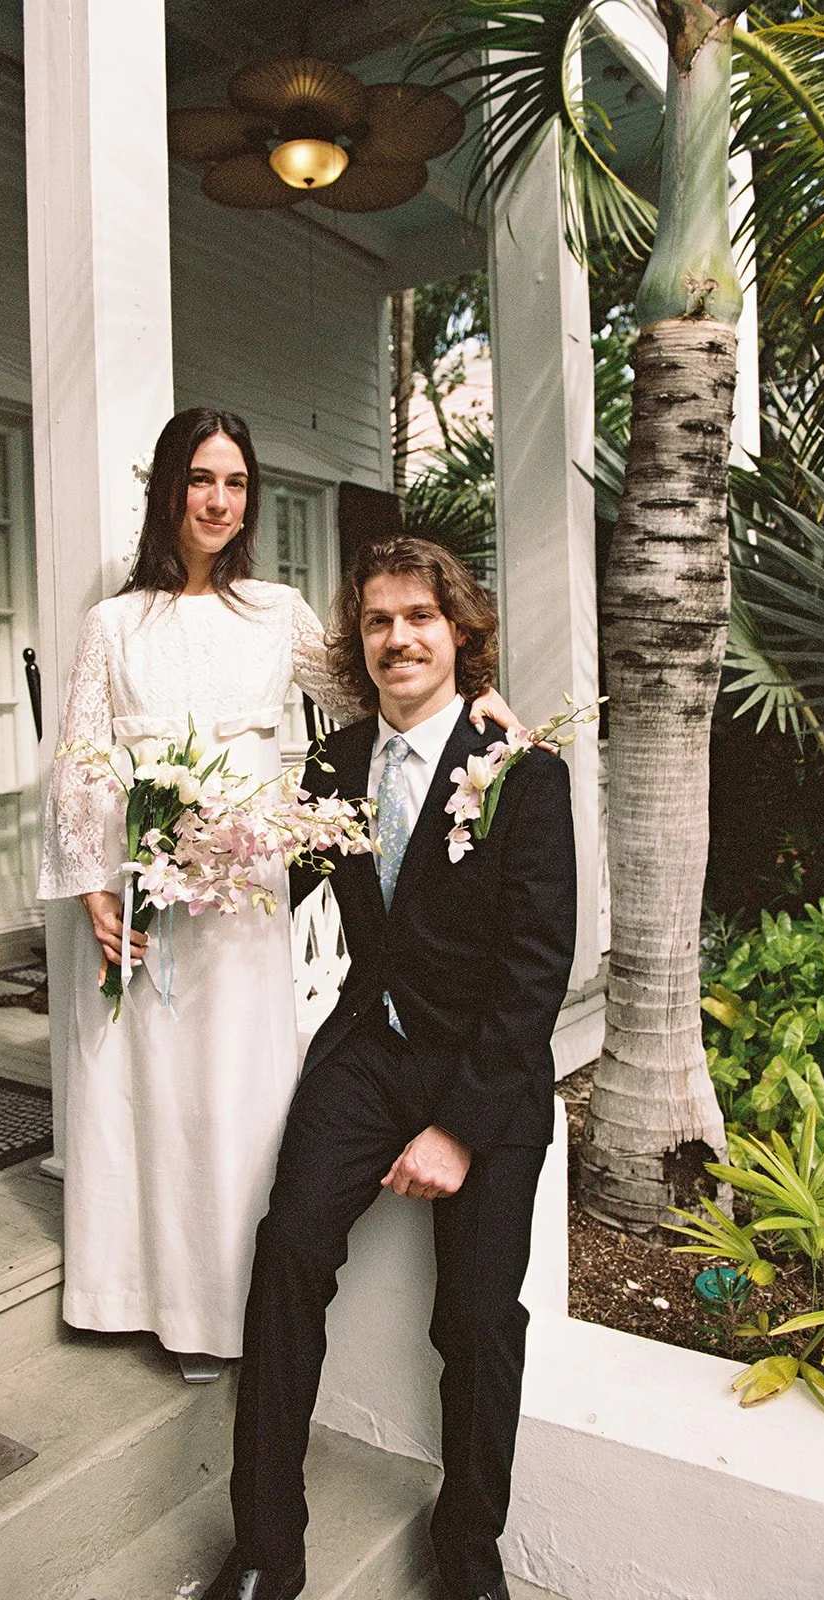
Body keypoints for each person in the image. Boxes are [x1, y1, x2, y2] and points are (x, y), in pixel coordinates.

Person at [37, 410, 524, 1384]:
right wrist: (97, 885)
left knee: (230, 1092)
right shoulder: (113, 621)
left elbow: (375, 692)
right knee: (142, 1087)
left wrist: (475, 699)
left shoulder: (276, 609)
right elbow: (82, 759)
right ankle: (127, 1294)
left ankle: (219, 1312)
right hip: (150, 877)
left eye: (235, 483)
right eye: (200, 479)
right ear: (168, 488)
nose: (218, 501)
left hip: (249, 878)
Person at [201, 536, 578, 1600]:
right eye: (376, 621)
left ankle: (467, 1548)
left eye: (418, 616)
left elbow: (535, 970)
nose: (397, 637)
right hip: (368, 1052)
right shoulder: (334, 763)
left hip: (486, 1075)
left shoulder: (523, 772)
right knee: (285, 1254)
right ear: (356, 642)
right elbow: (270, 879)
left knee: (474, 1316)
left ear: (458, 630)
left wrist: (457, 1127)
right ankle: (267, 1543)